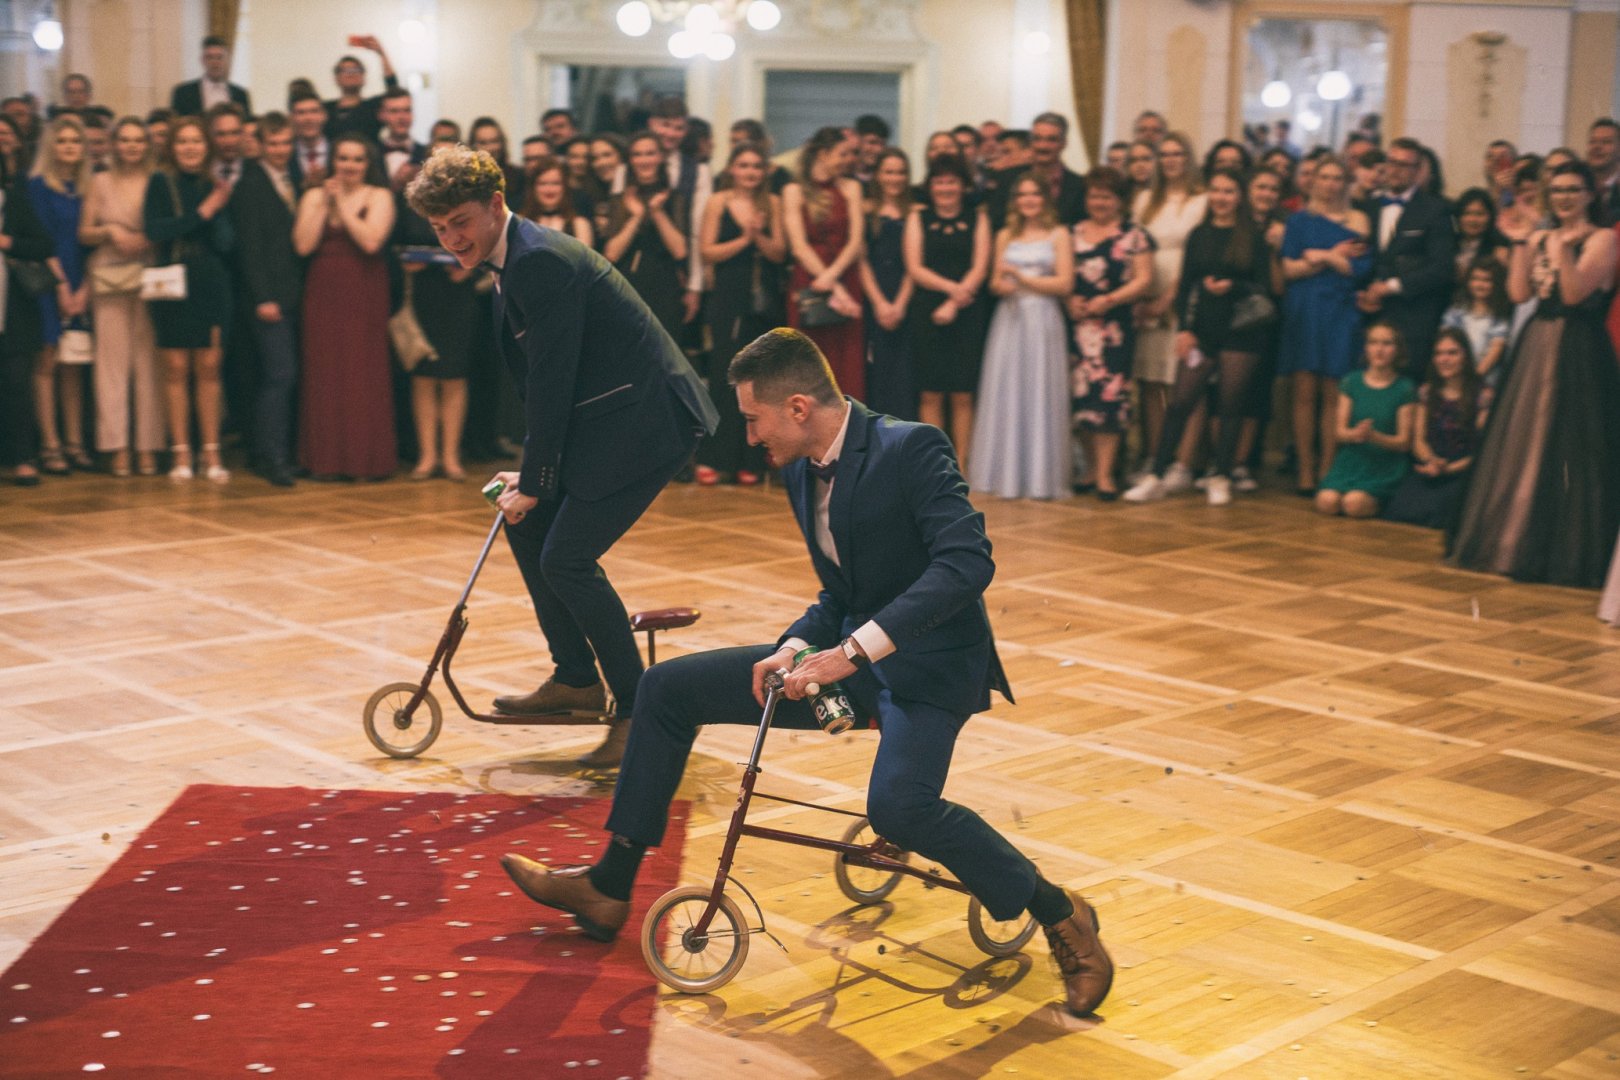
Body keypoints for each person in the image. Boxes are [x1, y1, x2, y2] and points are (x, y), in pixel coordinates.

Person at [496, 326, 1115, 1021]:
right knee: (666, 689)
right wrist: (794, 644)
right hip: (848, 657)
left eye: (753, 418)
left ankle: (1060, 913)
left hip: (931, 669)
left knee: (899, 810)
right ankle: (609, 887)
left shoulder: (911, 447)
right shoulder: (801, 468)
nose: (749, 436)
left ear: (797, 407)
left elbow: (967, 565)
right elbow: (841, 593)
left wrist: (851, 652)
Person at [404, 144, 718, 767]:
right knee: (529, 527)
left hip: (647, 421)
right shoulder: (516, 256)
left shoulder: (538, 261)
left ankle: (639, 712)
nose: (452, 240)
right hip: (609, 416)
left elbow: (554, 379)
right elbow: (553, 381)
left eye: (460, 223)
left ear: (496, 204)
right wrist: (534, 475)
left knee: (567, 558)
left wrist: (538, 475)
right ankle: (575, 679)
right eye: (439, 229)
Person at [1451, 161, 1620, 588]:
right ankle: (1511, 541)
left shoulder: (1603, 238)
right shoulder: (1542, 235)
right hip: (1537, 341)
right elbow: (1517, 292)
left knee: (1570, 446)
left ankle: (1561, 551)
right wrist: (1522, 241)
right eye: (1557, 190)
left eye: (1573, 189)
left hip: (1579, 347)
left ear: (1590, 194)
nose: (1564, 197)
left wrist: (1560, 245)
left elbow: (1574, 294)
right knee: (1525, 440)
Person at [1124, 169, 1277, 507]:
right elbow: (1186, 286)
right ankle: (1156, 475)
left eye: (1229, 191)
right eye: (1216, 191)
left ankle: (1221, 474)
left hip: (1243, 331)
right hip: (1203, 328)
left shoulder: (1252, 237)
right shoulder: (1199, 234)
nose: (1222, 198)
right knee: (1180, 402)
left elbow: (1265, 287)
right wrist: (1185, 329)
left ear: (1240, 197)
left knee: (1230, 405)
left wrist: (1232, 286)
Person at [292, 132, 396, 480]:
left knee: (361, 371)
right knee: (324, 371)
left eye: (357, 159)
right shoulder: (313, 195)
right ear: (332, 161)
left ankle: (364, 461)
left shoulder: (380, 195)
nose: (349, 165)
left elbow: (371, 242)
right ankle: (324, 461)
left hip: (364, 288)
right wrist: (324, 202)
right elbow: (303, 246)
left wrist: (342, 206)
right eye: (343, 158)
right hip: (322, 290)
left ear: (368, 164)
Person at [970, 172, 1073, 499]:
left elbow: (1064, 283)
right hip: (1010, 319)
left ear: (1045, 199)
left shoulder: (1059, 234)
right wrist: (1001, 285)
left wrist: (1021, 278)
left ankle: (1041, 477)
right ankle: (1005, 474)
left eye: (1035, 194)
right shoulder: (1005, 235)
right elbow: (994, 282)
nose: (1029, 200)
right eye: (1023, 195)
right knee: (1009, 389)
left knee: (1040, 388)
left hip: (1042, 318)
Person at [143, 114, 234, 482]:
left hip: (211, 282)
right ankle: (181, 452)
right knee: (176, 368)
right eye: (183, 141)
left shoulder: (216, 184)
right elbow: (155, 230)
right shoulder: (160, 182)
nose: (190, 147)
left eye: (197, 141)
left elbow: (227, 242)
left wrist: (217, 210)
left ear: (207, 146)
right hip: (172, 281)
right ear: (172, 147)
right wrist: (203, 212)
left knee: (209, 367)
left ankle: (211, 452)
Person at [1277, 155, 1372, 494]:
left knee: (1335, 391)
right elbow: (1289, 270)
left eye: (1337, 178)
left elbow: (1357, 270)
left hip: (1341, 309)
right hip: (1305, 309)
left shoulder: (1358, 220)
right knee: (1304, 391)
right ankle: (1305, 468)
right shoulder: (1298, 221)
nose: (1330, 184)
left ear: (1345, 183)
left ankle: (1328, 467)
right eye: (1324, 177)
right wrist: (1332, 256)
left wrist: (1321, 256)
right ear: (1313, 181)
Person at [694, 141, 785, 486]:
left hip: (762, 299)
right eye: (744, 165)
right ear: (732, 168)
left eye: (756, 166)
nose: (750, 172)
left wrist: (758, 236)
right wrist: (745, 239)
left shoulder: (772, 202)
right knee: (725, 376)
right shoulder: (718, 201)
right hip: (728, 296)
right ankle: (715, 458)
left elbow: (779, 253)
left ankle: (752, 459)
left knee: (759, 383)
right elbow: (707, 251)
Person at [79, 116, 160, 479]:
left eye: (138, 140)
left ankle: (147, 446)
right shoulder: (100, 181)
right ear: (114, 144)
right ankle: (117, 447)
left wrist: (145, 239)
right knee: (111, 365)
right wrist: (110, 231)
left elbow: (168, 225)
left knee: (149, 362)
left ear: (147, 145)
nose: (131, 146)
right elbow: (84, 232)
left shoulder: (157, 180)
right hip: (109, 274)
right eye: (125, 139)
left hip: (149, 271)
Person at [1069, 166, 1155, 499]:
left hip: (1114, 328)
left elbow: (1144, 280)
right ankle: (1090, 469)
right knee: (1082, 399)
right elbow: (1060, 273)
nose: (1099, 202)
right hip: (1079, 327)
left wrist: (1109, 300)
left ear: (1120, 200)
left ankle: (1106, 474)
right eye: (1094, 196)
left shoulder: (1135, 236)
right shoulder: (1073, 232)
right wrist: (1069, 300)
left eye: (1106, 196)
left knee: (1110, 399)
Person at [231, 112, 304, 488]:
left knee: (286, 375)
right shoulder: (249, 185)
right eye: (273, 143)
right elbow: (250, 248)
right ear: (259, 145)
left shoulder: (295, 179)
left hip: (294, 293)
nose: (280, 150)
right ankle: (269, 456)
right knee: (279, 374)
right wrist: (263, 297)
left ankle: (281, 451)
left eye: (286, 142)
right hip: (268, 297)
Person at [905, 154, 989, 470]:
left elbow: (980, 266)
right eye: (939, 182)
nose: (945, 188)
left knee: (963, 393)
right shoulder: (918, 218)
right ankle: (937, 463)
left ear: (963, 185)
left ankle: (961, 463)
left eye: (951, 181)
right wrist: (952, 291)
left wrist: (955, 301)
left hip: (968, 311)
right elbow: (915, 267)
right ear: (930, 186)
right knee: (931, 393)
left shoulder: (978, 218)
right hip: (927, 311)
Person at [1131, 130, 1207, 482]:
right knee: (1151, 381)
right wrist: (1144, 297)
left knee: (1185, 383)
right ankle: (1155, 456)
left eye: (1178, 154)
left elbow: (1198, 254)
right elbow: (1134, 247)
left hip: (1186, 296)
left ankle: (1182, 462)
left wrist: (1169, 298)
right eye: (1165, 155)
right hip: (1148, 295)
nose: (1171, 161)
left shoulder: (1200, 201)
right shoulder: (1145, 200)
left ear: (1188, 159)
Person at [27, 114, 93, 475]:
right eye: (62, 140)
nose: (69, 147)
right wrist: (63, 287)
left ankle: (75, 442)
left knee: (74, 364)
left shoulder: (88, 187)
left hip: (83, 279)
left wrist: (84, 288)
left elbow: (92, 242)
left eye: (75, 141)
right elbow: (42, 241)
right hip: (49, 279)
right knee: (47, 361)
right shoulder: (38, 186)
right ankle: (50, 445)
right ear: (51, 146)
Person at [1357, 138, 1455, 377]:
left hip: (1412, 315)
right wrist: (1362, 293)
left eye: (1404, 165)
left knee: (1407, 382)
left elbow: (1441, 268)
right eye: (1391, 162)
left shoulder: (1435, 210)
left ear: (1417, 170)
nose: (1395, 170)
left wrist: (1391, 287)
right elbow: (1363, 257)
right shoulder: (1369, 206)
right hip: (1371, 316)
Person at [784, 126, 866, 400]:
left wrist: (833, 278)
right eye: (842, 154)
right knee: (810, 359)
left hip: (845, 273)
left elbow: (856, 241)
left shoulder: (851, 188)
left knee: (847, 361)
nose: (848, 160)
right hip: (810, 279)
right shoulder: (794, 190)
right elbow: (798, 246)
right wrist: (833, 286)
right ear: (822, 154)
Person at [1383, 327, 1490, 529]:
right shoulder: (1427, 391)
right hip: (1431, 466)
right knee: (1402, 511)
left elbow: (1482, 450)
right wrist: (1431, 461)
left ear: (1465, 356)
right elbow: (1418, 440)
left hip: (1463, 470)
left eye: (1452, 353)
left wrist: (1448, 469)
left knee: (1442, 515)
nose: (1444, 359)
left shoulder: (1482, 396)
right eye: (1439, 354)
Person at [1314, 322, 1417, 518]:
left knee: (1354, 504)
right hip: (1352, 460)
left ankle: (1381, 503)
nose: (1379, 349)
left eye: (1386, 343)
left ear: (1397, 349)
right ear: (1366, 348)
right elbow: (1339, 432)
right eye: (1373, 342)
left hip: (1384, 464)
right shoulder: (1351, 382)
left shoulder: (1404, 388)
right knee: (1326, 502)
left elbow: (1404, 442)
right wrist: (1355, 434)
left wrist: (1374, 437)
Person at [600, 131, 688, 338]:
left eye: (650, 153)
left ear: (661, 157)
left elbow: (680, 251)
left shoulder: (675, 198)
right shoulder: (619, 199)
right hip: (627, 283)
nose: (644, 160)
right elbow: (611, 253)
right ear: (630, 160)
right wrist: (637, 217)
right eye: (637, 154)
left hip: (664, 283)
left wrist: (657, 212)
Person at [1, 163, 53, 484]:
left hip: (12, 311)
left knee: (17, 385)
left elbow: (44, 245)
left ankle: (22, 457)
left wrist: (7, 242)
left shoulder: (15, 202)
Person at [859, 147, 916, 421]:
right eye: (889, 172)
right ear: (878, 175)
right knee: (876, 370)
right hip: (873, 295)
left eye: (901, 172)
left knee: (906, 373)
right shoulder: (865, 210)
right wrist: (879, 303)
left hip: (908, 296)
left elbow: (915, 263)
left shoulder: (916, 211)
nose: (895, 178)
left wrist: (900, 304)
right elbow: (861, 260)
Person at [1440, 259, 1511, 387]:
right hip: (1453, 377)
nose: (1479, 284)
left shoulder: (1499, 317)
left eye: (1486, 280)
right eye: (1475, 278)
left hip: (1483, 380)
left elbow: (1495, 350)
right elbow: (1445, 342)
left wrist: (1474, 378)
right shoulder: (1456, 312)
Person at [324, 37, 399, 139]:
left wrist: (381, 53)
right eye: (345, 70)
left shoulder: (373, 107)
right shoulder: (325, 110)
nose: (350, 74)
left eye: (356, 70)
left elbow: (394, 91)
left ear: (364, 77)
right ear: (336, 78)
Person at [1022, 112, 1085, 225]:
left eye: (1051, 140)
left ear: (1064, 143)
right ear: (1030, 142)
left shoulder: (1081, 186)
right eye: (1037, 139)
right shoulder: (1009, 179)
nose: (1043, 146)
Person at [171, 35, 251, 118]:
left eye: (219, 57)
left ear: (228, 60)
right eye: (210, 57)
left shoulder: (240, 95)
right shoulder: (183, 93)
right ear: (202, 60)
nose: (215, 62)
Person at [287, 91, 332, 190]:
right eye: (301, 113)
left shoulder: (339, 150)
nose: (308, 118)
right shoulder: (285, 153)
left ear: (324, 116)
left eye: (314, 111)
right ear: (291, 118)